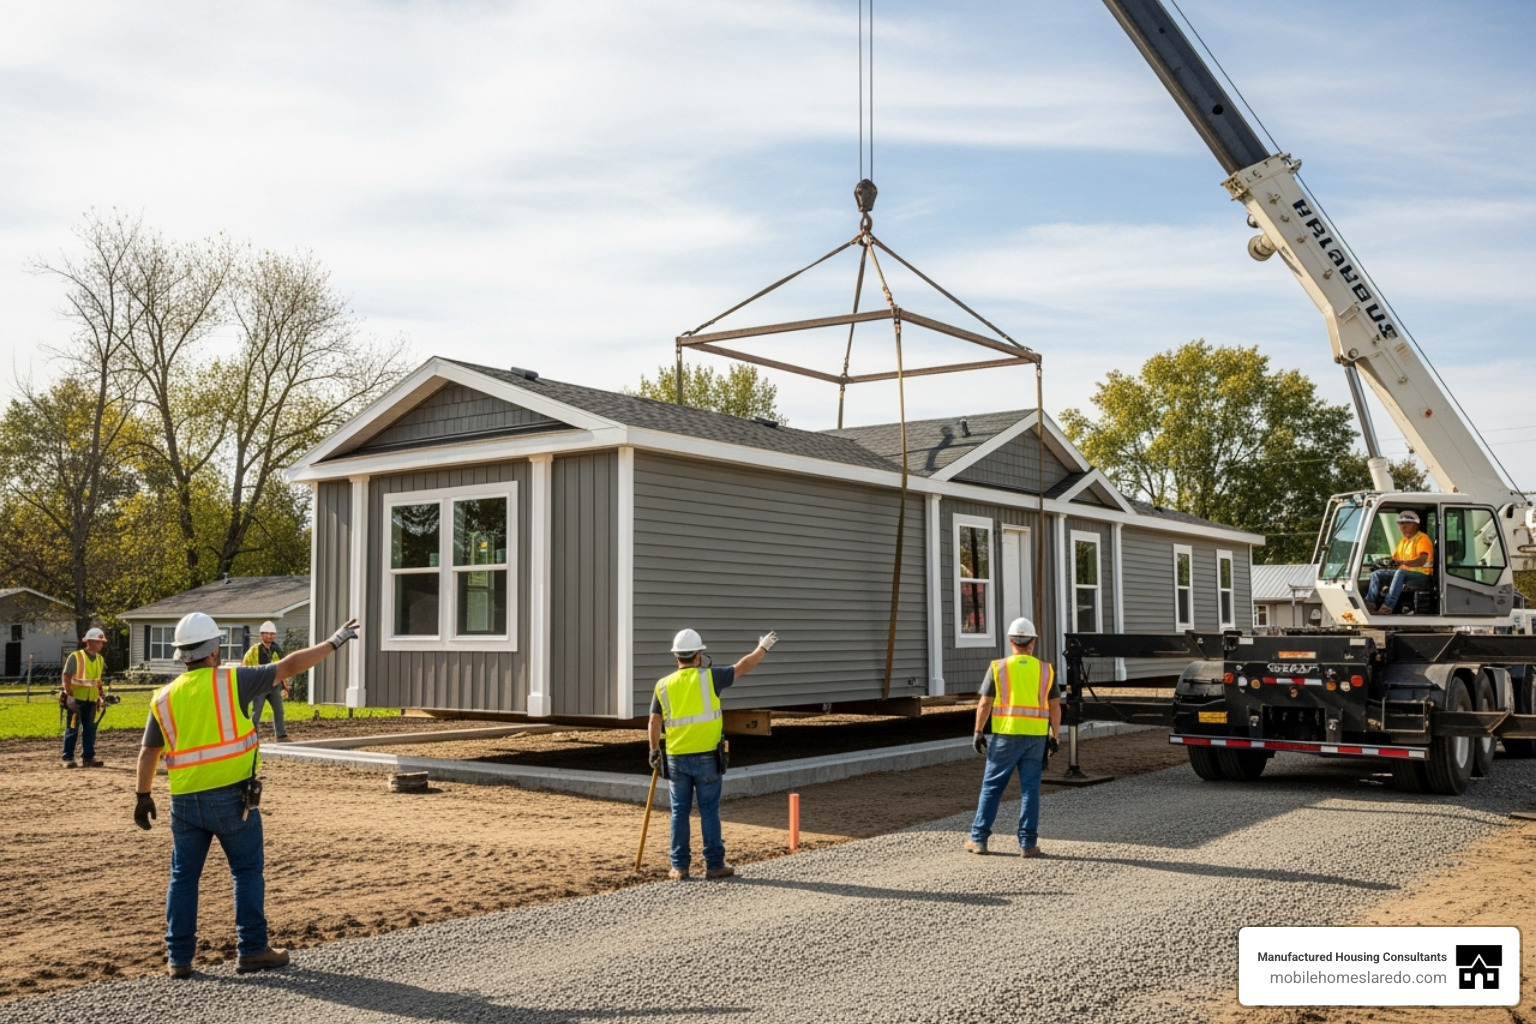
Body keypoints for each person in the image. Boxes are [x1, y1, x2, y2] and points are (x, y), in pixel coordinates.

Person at [133, 611, 358, 978]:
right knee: (246, 872)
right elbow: (289, 666)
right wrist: (333, 642)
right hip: (232, 802)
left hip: (185, 804)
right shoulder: (232, 681)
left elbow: (148, 753)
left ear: (182, 655)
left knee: (183, 877)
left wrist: (143, 796)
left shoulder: (163, 697)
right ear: (214, 651)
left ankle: (179, 959)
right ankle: (252, 950)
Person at [648, 628, 776, 881]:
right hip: (707, 757)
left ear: (677, 657)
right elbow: (743, 666)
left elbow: (654, 721)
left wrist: (654, 751)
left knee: (679, 812)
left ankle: (679, 867)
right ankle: (715, 865)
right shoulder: (711, 677)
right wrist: (763, 648)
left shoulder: (663, 685)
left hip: (676, 758)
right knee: (708, 810)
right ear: (698, 655)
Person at [966, 617, 1061, 858]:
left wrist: (978, 731)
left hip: (1005, 736)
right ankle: (1028, 844)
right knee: (1030, 791)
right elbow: (1055, 706)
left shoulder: (998, 667)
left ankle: (979, 840)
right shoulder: (1045, 670)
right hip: (1035, 738)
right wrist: (1055, 735)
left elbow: (985, 702)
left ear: (1011, 641)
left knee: (992, 788)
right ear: (1033, 642)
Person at [1365, 510, 1433, 614]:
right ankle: (1370, 605)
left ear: (1415, 524)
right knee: (1377, 574)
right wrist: (1385, 564)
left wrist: (1403, 562)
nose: (1403, 526)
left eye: (1407, 523)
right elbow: (1395, 560)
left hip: (1423, 576)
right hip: (1404, 574)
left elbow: (1421, 561)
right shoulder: (1403, 541)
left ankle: (1387, 607)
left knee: (1400, 572)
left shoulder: (1422, 539)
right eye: (1401, 523)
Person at [60, 627, 108, 768]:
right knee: (72, 728)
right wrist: (68, 695)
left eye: (102, 642)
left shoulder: (100, 659)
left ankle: (88, 757)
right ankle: (67, 758)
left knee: (89, 729)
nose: (101, 644)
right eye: (99, 642)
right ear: (90, 642)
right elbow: (66, 676)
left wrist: (101, 696)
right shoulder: (76, 656)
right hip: (75, 699)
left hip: (91, 699)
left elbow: (97, 681)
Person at [242, 621, 289, 742]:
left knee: (279, 710)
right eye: (267, 634)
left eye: (272, 634)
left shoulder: (277, 650)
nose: (270, 636)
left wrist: (285, 686)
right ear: (262, 635)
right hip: (260, 685)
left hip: (274, 684)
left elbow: (284, 668)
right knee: (256, 712)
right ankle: (252, 735)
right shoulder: (254, 651)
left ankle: (281, 735)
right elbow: (245, 666)